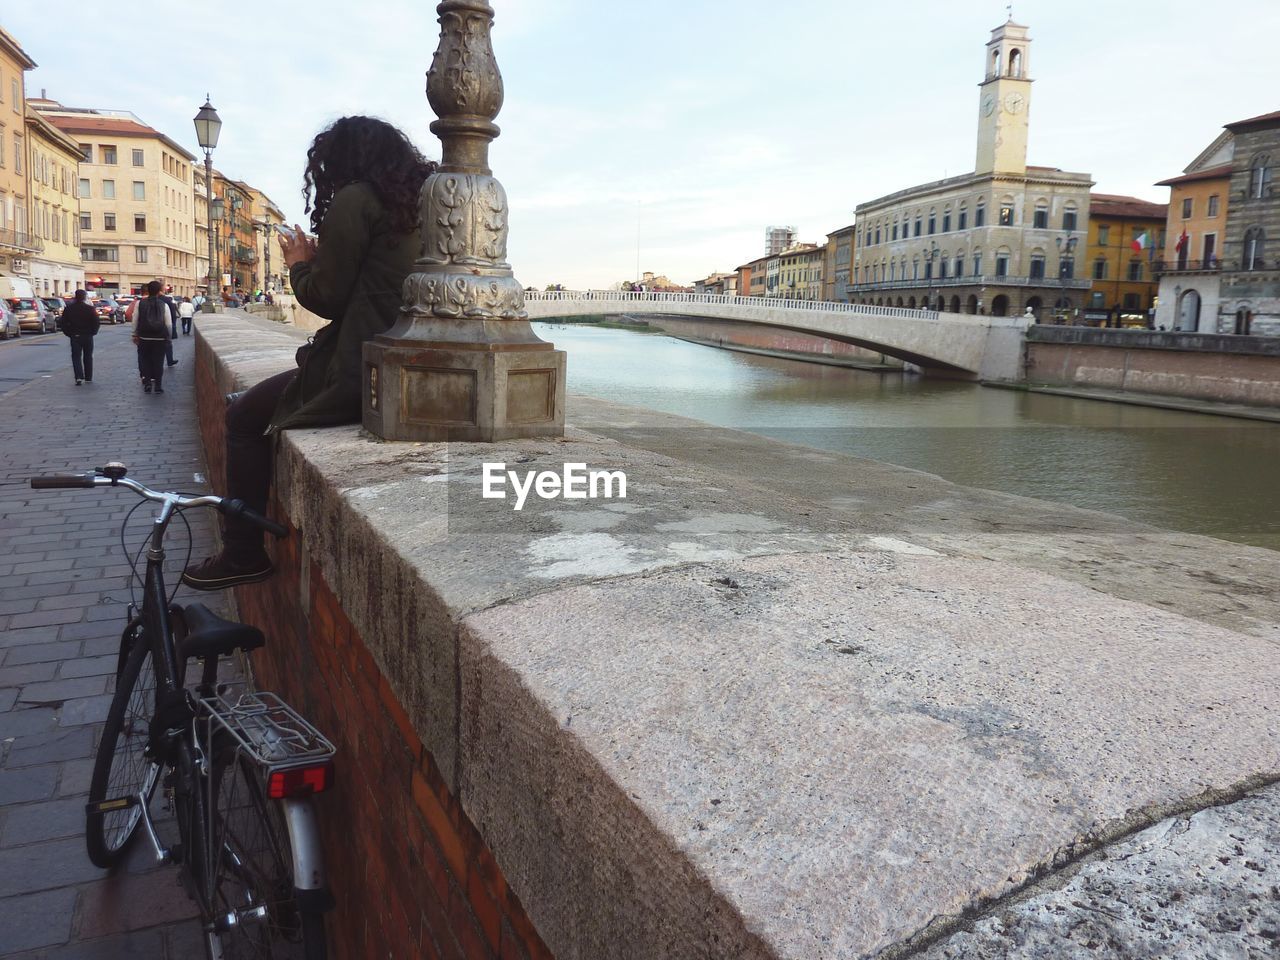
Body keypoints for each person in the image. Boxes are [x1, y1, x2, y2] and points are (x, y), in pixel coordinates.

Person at [182, 116, 437, 591]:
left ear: (337, 162)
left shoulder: (357, 198)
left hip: (363, 367)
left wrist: (300, 265)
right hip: (420, 361)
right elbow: (378, 278)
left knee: (242, 418)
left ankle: (243, 553)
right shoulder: (420, 201)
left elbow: (328, 298)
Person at [132, 281, 173, 394]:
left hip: (145, 337)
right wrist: (168, 337)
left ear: (148, 290)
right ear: (159, 291)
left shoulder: (140, 304)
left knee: (146, 361)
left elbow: (135, 320)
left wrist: (135, 334)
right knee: (158, 362)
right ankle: (158, 386)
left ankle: (148, 384)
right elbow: (168, 324)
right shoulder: (163, 305)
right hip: (160, 338)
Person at [61, 289, 100, 385]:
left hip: (75, 335)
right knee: (88, 356)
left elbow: (63, 323)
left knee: (76, 357)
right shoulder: (90, 309)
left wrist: (68, 333)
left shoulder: (69, 309)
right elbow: (96, 322)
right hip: (87, 335)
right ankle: (88, 377)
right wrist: (93, 332)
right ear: (84, 297)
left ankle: (78, 376)